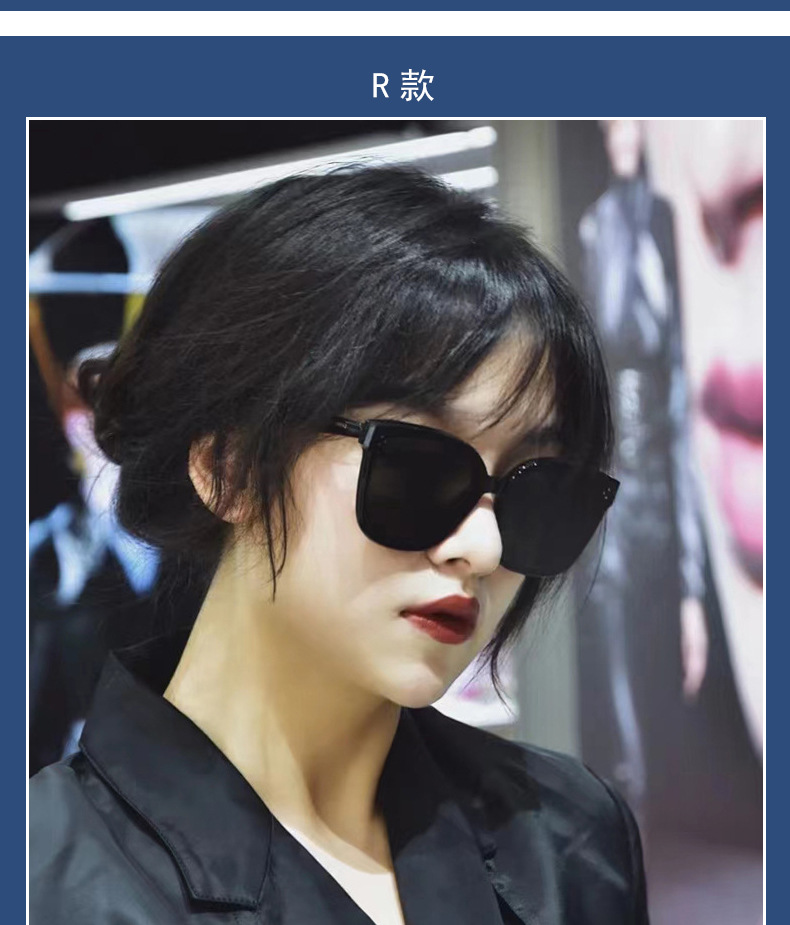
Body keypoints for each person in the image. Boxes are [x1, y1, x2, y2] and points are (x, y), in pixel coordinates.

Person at [29, 166, 647, 925]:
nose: (483, 548)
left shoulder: (570, 837)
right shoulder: (42, 881)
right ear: (227, 469)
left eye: (537, 489)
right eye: (418, 468)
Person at [575, 119, 706, 826]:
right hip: (616, 471)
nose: (620, 134)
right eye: (611, 123)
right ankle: (636, 786)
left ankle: (660, 785)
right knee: (616, 628)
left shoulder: (660, 219)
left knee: (658, 636)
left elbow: (675, 360)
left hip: (659, 455)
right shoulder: (596, 226)